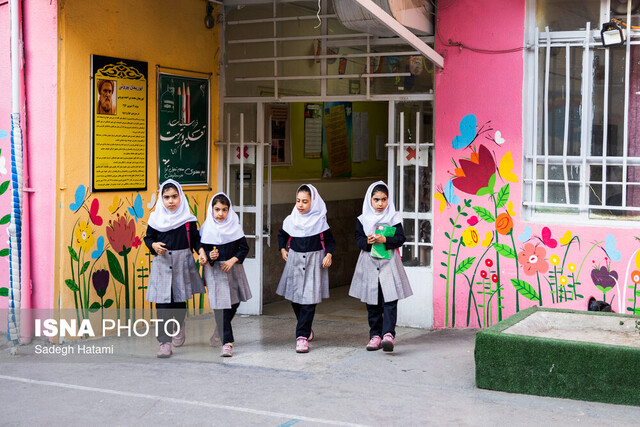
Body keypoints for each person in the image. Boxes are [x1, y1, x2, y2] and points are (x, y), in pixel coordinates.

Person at [349, 181, 413, 352]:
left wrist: (385, 240)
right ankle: (375, 336)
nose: (380, 204)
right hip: (369, 263)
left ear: (388, 200)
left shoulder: (393, 218)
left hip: (389, 263)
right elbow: (358, 239)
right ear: (370, 200)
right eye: (376, 199)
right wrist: (368, 242)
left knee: (390, 300)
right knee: (372, 301)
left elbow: (400, 238)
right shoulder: (363, 219)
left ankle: (388, 335)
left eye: (384, 199)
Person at [144, 179, 205, 358]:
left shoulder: (188, 220)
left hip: (182, 263)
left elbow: (195, 239)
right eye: (166, 197)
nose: (170, 201)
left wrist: (201, 252)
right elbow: (148, 238)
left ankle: (179, 324)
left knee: (179, 302)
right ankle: (164, 342)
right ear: (161, 199)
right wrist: (154, 245)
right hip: (162, 264)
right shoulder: (156, 218)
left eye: (174, 197)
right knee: (162, 305)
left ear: (180, 197)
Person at [277, 184, 334, 353]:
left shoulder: (320, 221)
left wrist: (329, 254)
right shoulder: (291, 219)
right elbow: (282, 234)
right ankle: (306, 328)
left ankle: (301, 337)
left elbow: (330, 240)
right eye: (298, 201)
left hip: (314, 262)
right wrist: (282, 249)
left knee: (309, 300)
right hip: (294, 260)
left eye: (305, 201)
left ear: (313, 202)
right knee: (295, 299)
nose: (300, 205)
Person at [198, 193, 252, 357]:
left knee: (234, 304)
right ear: (211, 210)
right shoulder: (206, 229)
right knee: (220, 308)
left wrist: (232, 260)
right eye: (217, 209)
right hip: (215, 272)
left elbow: (244, 248)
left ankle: (219, 329)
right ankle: (227, 343)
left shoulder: (235, 226)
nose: (220, 213)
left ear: (229, 211)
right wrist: (209, 256)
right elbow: (202, 249)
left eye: (224, 209)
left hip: (233, 269)